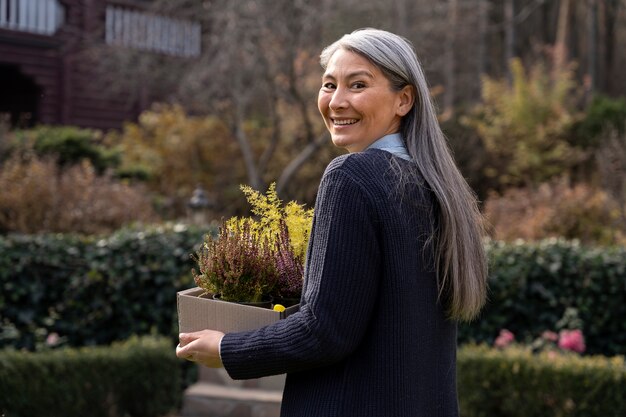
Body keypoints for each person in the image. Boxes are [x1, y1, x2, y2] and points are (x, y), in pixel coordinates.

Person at [176, 28, 488, 417]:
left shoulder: (352, 176)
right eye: (329, 85)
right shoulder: (438, 187)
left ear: (403, 100)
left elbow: (325, 331)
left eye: (357, 85)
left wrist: (226, 348)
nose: (337, 102)